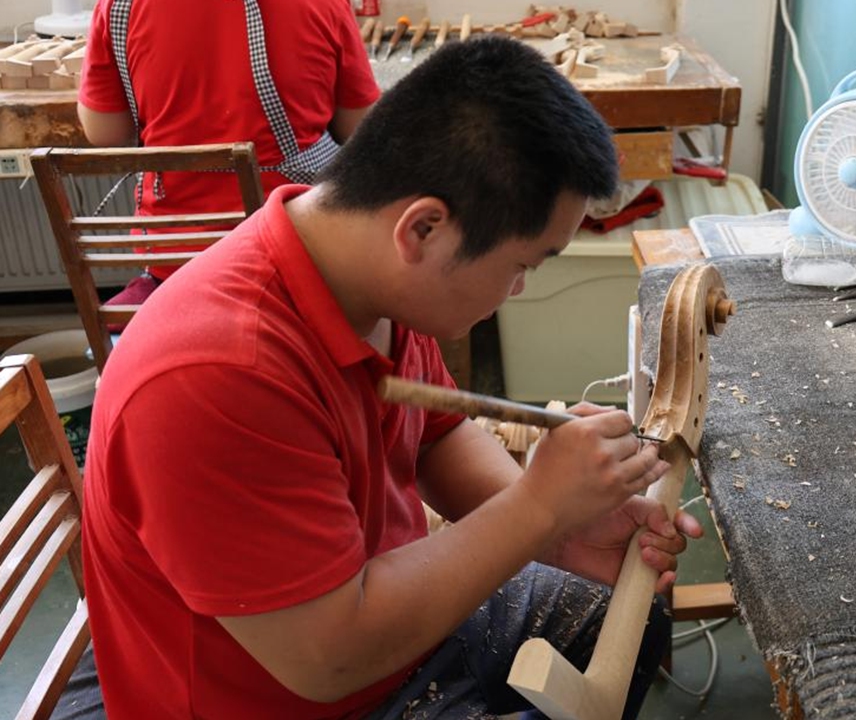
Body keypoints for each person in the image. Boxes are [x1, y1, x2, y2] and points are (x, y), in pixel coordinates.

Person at [73, 36, 702, 719]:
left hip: (376, 614)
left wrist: (558, 533)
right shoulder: (214, 377)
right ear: (423, 229)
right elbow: (330, 659)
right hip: (288, 689)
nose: (519, 289)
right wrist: (538, 507)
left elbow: (436, 436)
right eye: (526, 263)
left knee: (631, 626)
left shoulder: (365, 280)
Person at [76, 0, 379, 310]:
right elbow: (359, 127)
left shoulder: (119, 6)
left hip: (177, 265)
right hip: (295, 254)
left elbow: (104, 131)